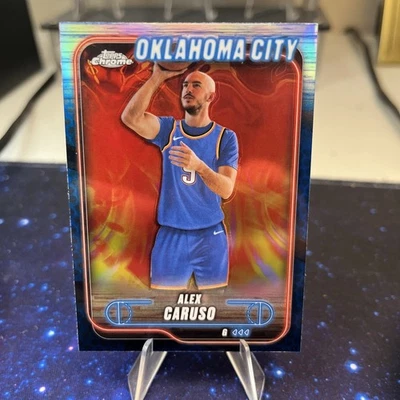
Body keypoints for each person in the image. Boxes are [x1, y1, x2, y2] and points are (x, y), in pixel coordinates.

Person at [121, 64, 239, 290]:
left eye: (196, 85)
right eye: (185, 85)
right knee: (164, 303)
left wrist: (200, 167)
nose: (188, 89)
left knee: (215, 303)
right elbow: (131, 118)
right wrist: (157, 77)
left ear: (210, 96)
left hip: (210, 234)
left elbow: (227, 190)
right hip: (171, 234)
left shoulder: (225, 137)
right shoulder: (168, 129)